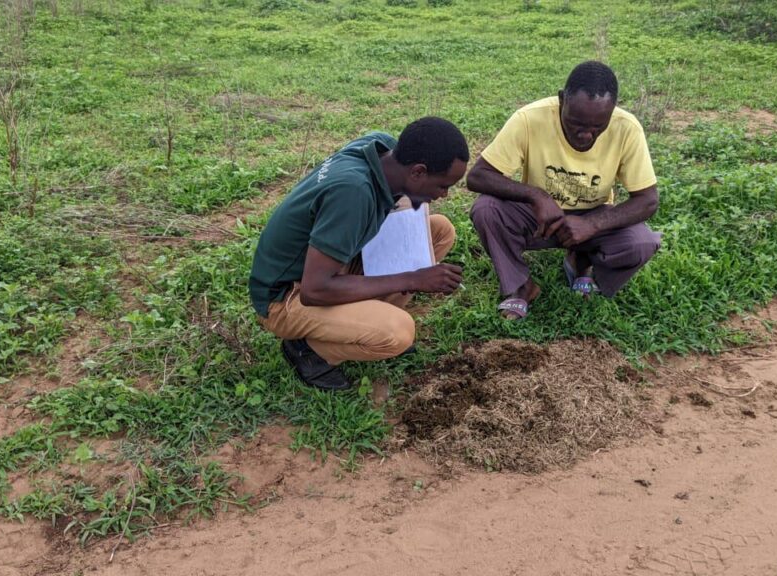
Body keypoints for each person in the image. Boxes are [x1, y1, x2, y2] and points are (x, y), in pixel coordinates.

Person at [249, 117, 468, 391]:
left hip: (330, 265)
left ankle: (362, 321)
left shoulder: (382, 149)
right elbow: (314, 290)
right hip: (285, 296)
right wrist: (413, 278)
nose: (445, 195)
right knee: (399, 332)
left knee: (439, 231)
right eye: (443, 186)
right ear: (417, 172)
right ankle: (310, 350)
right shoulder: (353, 193)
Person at [467, 61, 662, 319]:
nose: (586, 135)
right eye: (576, 123)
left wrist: (592, 224)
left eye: (598, 127)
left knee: (643, 242)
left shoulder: (627, 128)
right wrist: (537, 196)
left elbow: (648, 200)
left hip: (593, 217)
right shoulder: (529, 119)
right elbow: (478, 176)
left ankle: (583, 262)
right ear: (562, 100)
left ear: (612, 111)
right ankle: (520, 286)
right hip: (539, 218)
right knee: (486, 210)